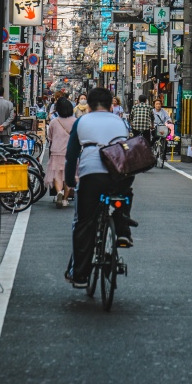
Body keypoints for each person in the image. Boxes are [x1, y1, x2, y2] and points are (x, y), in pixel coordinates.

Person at [64, 87, 136, 288]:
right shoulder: (120, 121)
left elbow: (71, 157)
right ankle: (122, 229)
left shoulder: (82, 121)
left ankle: (80, 274)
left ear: (89, 105)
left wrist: (70, 181)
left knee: (84, 222)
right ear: (112, 105)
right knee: (124, 194)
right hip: (120, 174)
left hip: (91, 175)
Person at [46, 98, 75, 208]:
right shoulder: (74, 121)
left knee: (57, 175)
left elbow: (50, 137)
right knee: (68, 176)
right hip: (70, 152)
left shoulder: (54, 122)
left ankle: (59, 192)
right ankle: (65, 199)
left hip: (56, 151)